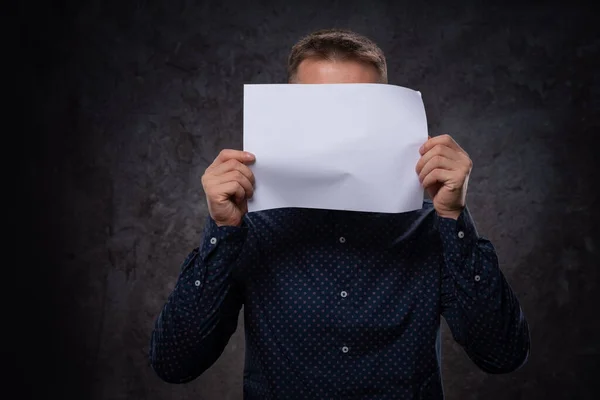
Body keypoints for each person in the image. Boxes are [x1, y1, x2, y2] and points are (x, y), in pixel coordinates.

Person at [149, 28, 530, 399]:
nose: (339, 129)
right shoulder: (249, 226)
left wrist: (452, 218)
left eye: (359, 107)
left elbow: (501, 354)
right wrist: (222, 230)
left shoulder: (430, 225)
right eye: (319, 108)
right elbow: (175, 364)